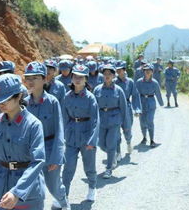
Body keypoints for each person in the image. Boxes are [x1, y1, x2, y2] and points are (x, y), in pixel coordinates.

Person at [0, 74, 46, 210]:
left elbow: (37, 162)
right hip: (0, 191)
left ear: (19, 96)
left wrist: (17, 192)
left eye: (5, 100)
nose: (0, 104)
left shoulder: (33, 125)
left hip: (28, 193)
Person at [23, 62, 70, 210]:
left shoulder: (52, 102)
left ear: (44, 80)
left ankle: (64, 203)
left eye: (35, 77)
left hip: (49, 150)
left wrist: (56, 157)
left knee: (54, 186)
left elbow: (59, 131)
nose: (31, 81)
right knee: (33, 189)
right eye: (28, 78)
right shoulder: (23, 103)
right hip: (29, 153)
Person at [61, 64, 99, 202]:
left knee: (89, 166)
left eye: (81, 77)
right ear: (71, 78)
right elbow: (64, 118)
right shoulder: (67, 97)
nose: (78, 79)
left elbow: (95, 120)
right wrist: (63, 136)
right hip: (71, 136)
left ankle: (92, 188)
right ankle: (64, 195)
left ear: (86, 80)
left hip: (86, 135)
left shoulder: (90, 98)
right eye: (75, 76)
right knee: (68, 167)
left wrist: (92, 141)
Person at [93, 64, 129, 179]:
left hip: (114, 120)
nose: (107, 76)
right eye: (105, 74)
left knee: (111, 143)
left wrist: (126, 126)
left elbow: (124, 109)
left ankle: (109, 168)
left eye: (110, 74)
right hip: (101, 120)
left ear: (113, 75)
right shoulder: (97, 89)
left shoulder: (119, 90)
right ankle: (112, 155)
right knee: (101, 144)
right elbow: (93, 108)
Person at [114, 61, 141, 157]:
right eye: (117, 70)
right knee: (116, 131)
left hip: (127, 108)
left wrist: (137, 109)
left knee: (127, 129)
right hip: (116, 109)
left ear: (124, 70)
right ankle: (118, 152)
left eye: (120, 70)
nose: (118, 71)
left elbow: (135, 95)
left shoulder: (130, 82)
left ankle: (129, 142)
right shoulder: (113, 82)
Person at [135, 64, 164, 148]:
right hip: (141, 102)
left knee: (150, 120)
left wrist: (161, 103)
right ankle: (144, 137)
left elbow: (158, 94)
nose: (147, 72)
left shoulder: (155, 83)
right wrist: (136, 107)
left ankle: (152, 140)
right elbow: (136, 95)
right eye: (145, 70)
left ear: (152, 72)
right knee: (142, 121)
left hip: (151, 103)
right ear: (143, 72)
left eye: (149, 70)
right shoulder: (139, 82)